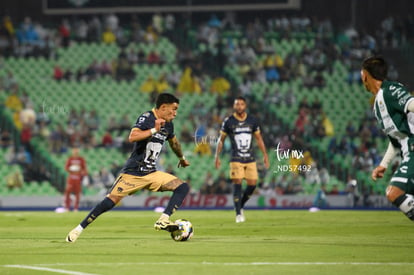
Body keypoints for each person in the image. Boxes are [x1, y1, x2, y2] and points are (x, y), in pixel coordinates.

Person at [66, 93, 190, 242]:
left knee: (182, 187)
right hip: (133, 173)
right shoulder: (147, 118)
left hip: (151, 173)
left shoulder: (169, 124)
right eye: (173, 109)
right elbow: (132, 136)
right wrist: (153, 130)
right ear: (163, 107)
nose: (175, 113)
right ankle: (78, 229)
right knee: (111, 201)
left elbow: (174, 143)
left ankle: (163, 219)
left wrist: (181, 158)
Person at [362, 56, 414, 221]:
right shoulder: (378, 105)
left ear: (365, 75)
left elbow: (412, 104)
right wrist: (383, 165)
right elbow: (395, 140)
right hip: (407, 151)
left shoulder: (390, 90)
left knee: (394, 193)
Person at [215, 96, 269, 223]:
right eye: (237, 104)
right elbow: (221, 140)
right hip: (236, 158)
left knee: (252, 185)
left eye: (241, 104)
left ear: (245, 106)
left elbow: (259, 139)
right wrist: (217, 156)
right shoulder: (228, 121)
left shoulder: (252, 121)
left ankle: (240, 205)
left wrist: (265, 154)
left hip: (250, 158)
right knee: (237, 182)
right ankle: (238, 213)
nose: (239, 106)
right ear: (234, 106)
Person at [64, 147, 88, 212]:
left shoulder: (81, 159)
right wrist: (71, 169)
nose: (75, 153)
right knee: (67, 192)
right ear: (72, 153)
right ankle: (67, 207)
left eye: (76, 152)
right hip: (71, 179)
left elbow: (85, 169)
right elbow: (66, 168)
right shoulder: (70, 159)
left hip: (78, 179)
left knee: (77, 193)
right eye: (74, 152)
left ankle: (76, 208)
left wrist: (82, 172)